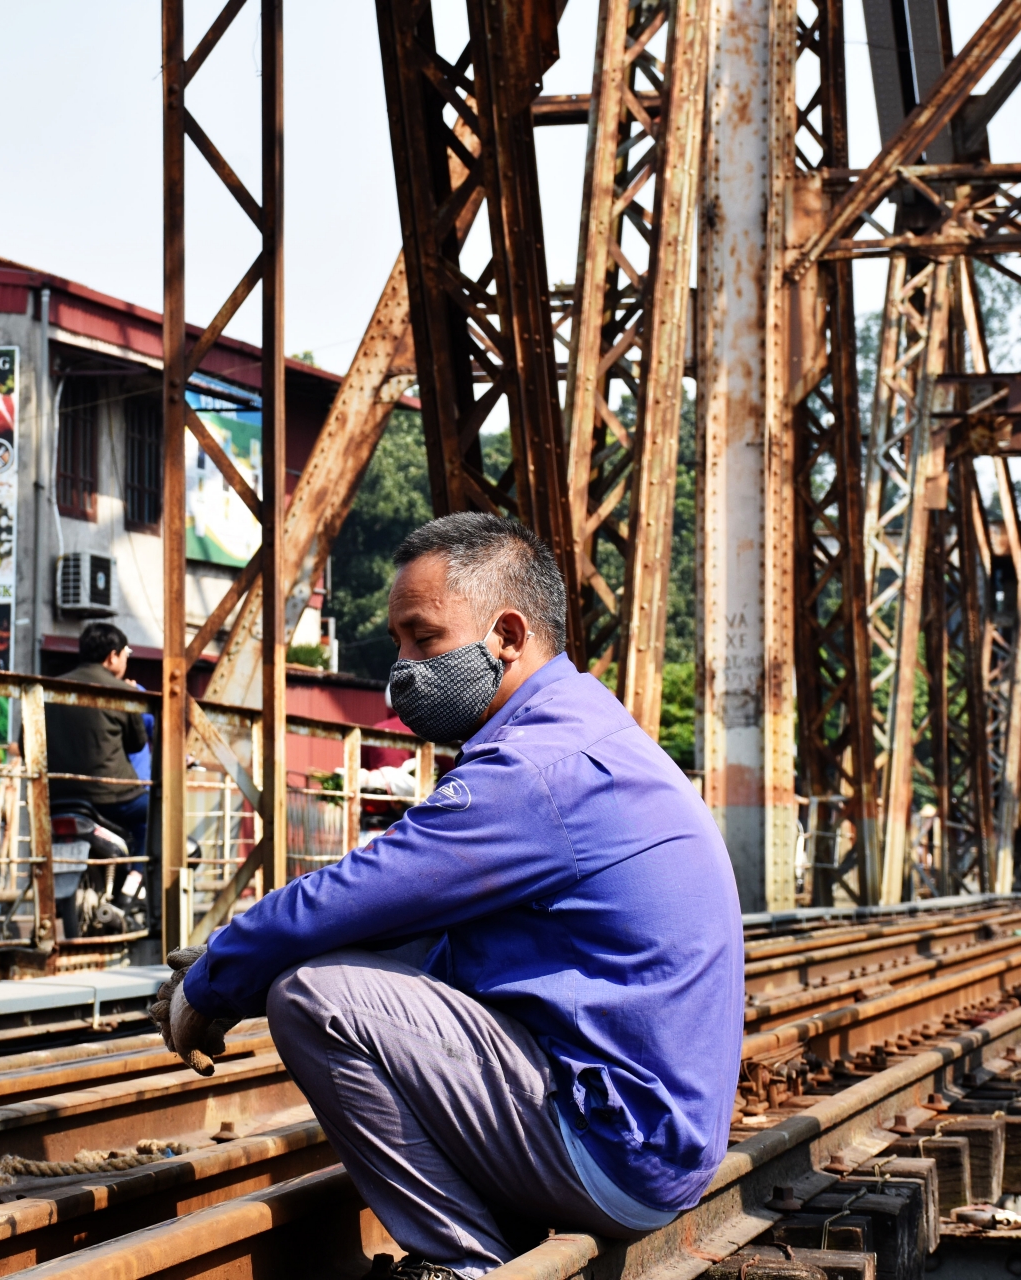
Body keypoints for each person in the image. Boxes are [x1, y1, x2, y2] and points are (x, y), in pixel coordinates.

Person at [152, 513, 743, 1280]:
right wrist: (236, 967)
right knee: (378, 959)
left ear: (507, 634)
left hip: (615, 1150)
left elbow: (352, 894)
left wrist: (215, 980)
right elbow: (410, 931)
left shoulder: (534, 771)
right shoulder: (583, 731)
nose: (402, 668)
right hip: (650, 1137)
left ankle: (464, 1265)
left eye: (423, 638)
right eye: (397, 641)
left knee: (316, 997)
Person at [46, 621, 149, 854]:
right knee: (160, 811)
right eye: (126, 654)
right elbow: (137, 743)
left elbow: (27, 746)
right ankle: (137, 873)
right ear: (112, 656)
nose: (126, 660)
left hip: (57, 797)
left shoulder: (49, 689)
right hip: (114, 797)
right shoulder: (123, 691)